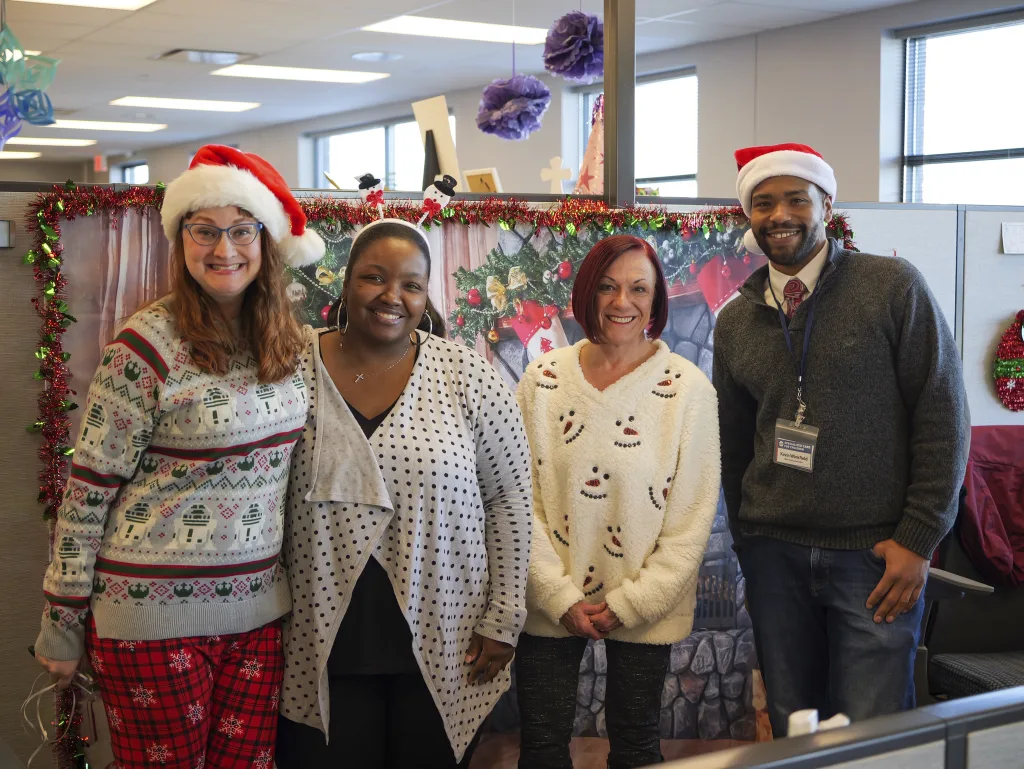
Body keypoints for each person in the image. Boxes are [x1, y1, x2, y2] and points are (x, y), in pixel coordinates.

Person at [33, 144, 325, 768]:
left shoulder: (293, 346)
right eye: (205, 231)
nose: (224, 250)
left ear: (266, 241)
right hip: (150, 620)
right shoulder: (144, 345)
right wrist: (61, 621)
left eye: (242, 230)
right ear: (181, 240)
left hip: (258, 614)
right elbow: (87, 493)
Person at [713, 143, 970, 735]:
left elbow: (943, 415)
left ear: (826, 204)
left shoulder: (890, 286)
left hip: (876, 558)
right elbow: (732, 446)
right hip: (775, 556)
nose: (780, 214)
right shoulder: (736, 319)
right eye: (764, 202)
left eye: (796, 199)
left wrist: (918, 539)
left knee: (871, 733)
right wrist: (750, 542)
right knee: (793, 729)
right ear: (748, 216)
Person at [275, 218, 533, 769]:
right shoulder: (290, 368)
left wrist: (503, 618)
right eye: (375, 277)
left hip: (445, 640)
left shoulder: (468, 376)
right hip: (320, 640)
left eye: (412, 285)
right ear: (345, 284)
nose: (393, 296)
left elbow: (508, 499)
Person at [515, 234, 722, 769]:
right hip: (549, 600)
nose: (621, 302)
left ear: (656, 299)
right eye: (607, 287)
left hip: (645, 602)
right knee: (540, 748)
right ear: (587, 293)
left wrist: (633, 604)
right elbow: (518, 500)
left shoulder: (688, 390)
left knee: (635, 747)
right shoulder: (542, 382)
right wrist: (557, 596)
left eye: (637, 288)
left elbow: (691, 518)